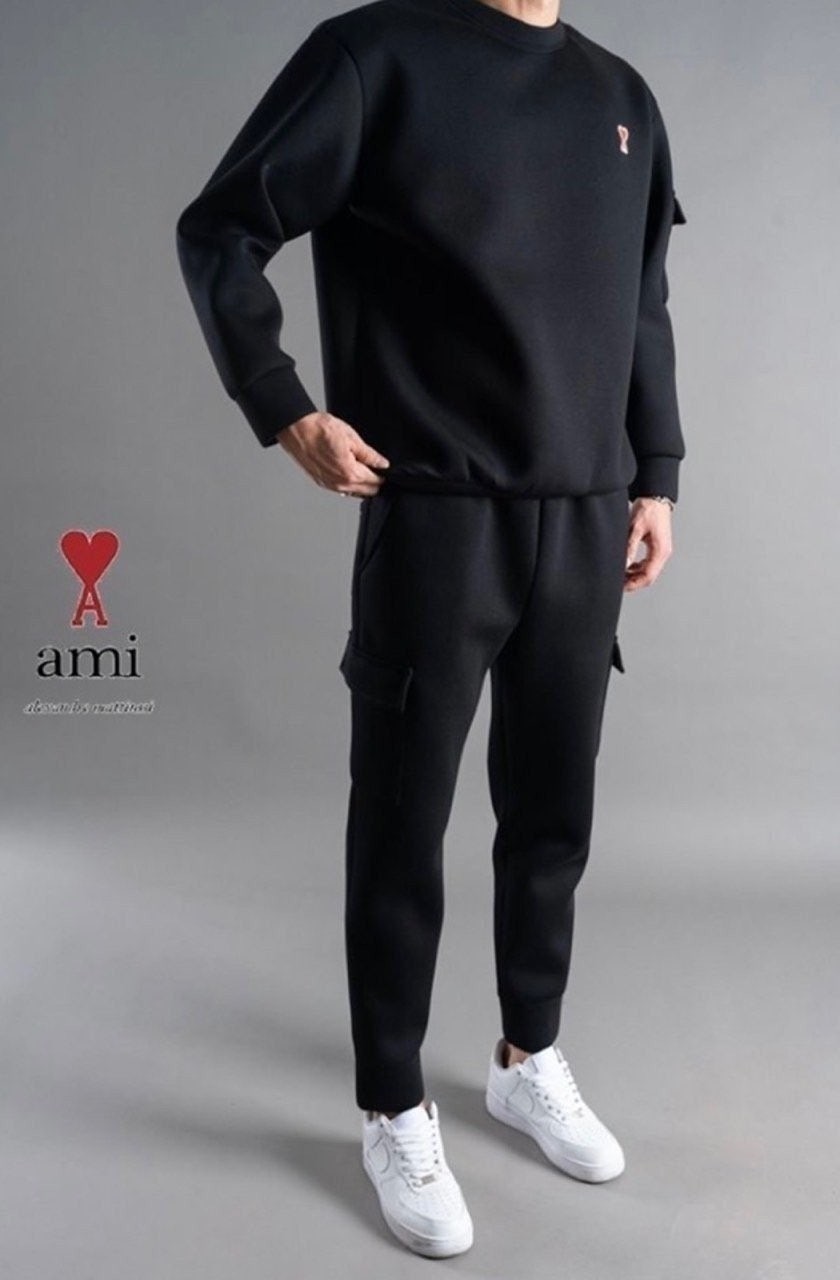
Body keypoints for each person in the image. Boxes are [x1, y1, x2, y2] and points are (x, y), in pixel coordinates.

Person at [176, 0, 687, 1258]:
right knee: (404, 821)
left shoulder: (620, 95)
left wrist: (657, 470)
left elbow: (641, 295)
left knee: (552, 814)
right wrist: (284, 405)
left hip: (586, 512)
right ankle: (393, 1104)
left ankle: (528, 1054)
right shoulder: (375, 57)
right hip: (438, 511)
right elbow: (222, 228)